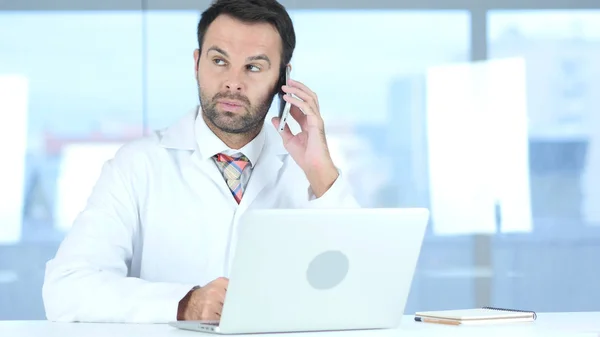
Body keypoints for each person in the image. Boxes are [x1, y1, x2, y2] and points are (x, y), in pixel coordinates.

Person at [42, 0, 359, 324]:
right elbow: (65, 290)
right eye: (220, 61)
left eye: (253, 67)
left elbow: (361, 289)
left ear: (283, 78)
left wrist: (320, 173)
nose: (233, 82)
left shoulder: (310, 171)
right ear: (197, 63)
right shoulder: (137, 166)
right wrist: (184, 305)